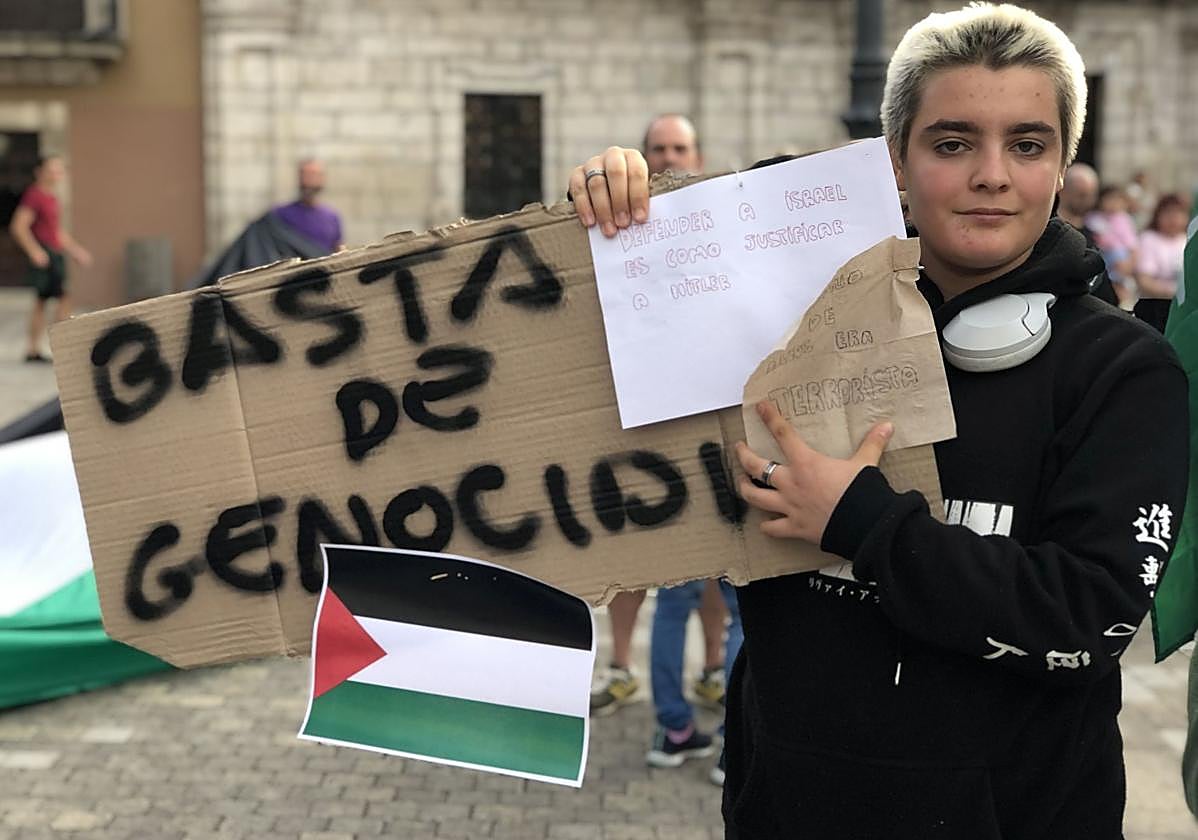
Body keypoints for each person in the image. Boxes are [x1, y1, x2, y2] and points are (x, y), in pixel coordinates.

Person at [569, 3, 1188, 837]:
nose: (992, 175)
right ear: (896, 160)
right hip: (786, 808)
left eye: (1028, 144)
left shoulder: (1125, 371)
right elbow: (597, 404)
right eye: (952, 142)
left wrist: (864, 525)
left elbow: (1088, 618)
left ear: (1063, 160)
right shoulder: (789, 319)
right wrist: (633, 221)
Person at [591, 115, 741, 732]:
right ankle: (626, 669)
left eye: (680, 148)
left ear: (697, 155)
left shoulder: (727, 223)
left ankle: (706, 677)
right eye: (660, 149)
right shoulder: (614, 220)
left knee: (711, 576)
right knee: (641, 569)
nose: (670, 157)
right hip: (641, 429)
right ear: (644, 156)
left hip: (712, 430)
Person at [9, 155, 91, 362]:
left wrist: (76, 251)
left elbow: (57, 232)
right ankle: (52, 348)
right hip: (45, 255)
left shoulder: (52, 198)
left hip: (55, 254)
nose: (57, 174)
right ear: (40, 172)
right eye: (52, 169)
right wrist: (34, 251)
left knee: (51, 300)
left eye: (60, 170)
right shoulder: (34, 195)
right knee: (56, 299)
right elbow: (19, 226)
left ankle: (38, 349)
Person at [1133, 192, 1190, 333]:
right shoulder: (1149, 239)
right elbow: (1145, 281)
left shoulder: (1188, 241)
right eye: (1168, 213)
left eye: (1178, 213)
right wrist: (1176, 293)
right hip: (1155, 309)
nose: (1173, 219)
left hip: (1182, 311)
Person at [272, 158, 343, 253]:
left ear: (322, 179)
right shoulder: (281, 214)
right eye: (305, 175)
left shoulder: (331, 217)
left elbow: (337, 249)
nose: (309, 180)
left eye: (314, 175)